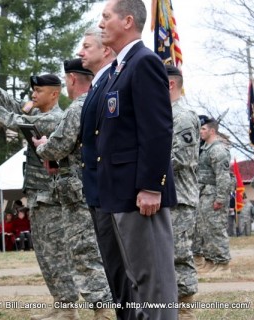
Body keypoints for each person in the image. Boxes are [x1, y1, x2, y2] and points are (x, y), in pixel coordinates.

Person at [0, 75, 83, 319]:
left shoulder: (54, 119)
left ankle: (67, 307)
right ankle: (61, 304)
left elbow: (15, 119)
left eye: (38, 91)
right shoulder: (39, 114)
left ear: (54, 94)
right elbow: (13, 105)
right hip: (39, 196)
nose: (33, 95)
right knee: (44, 254)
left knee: (55, 254)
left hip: (50, 197)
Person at [93, 1, 179, 319]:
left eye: (106, 17)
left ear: (127, 21)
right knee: (137, 281)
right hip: (122, 193)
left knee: (154, 284)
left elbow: (157, 128)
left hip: (141, 195)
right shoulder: (120, 68)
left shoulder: (144, 62)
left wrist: (151, 186)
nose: (100, 24)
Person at [33, 58, 113, 319]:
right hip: (98, 185)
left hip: (77, 192)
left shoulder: (78, 107)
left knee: (84, 252)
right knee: (97, 249)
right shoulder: (103, 101)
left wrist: (42, 146)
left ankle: (103, 311)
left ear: (71, 79)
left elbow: (57, 146)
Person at [165, 65, 200, 319]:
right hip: (166, 195)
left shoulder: (183, 116)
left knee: (179, 254)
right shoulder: (165, 114)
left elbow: (181, 158)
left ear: (170, 85)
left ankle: (185, 307)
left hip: (181, 197)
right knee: (165, 255)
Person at [195, 117, 232, 277]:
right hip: (204, 194)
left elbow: (223, 177)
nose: (200, 131)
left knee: (216, 228)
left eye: (203, 129)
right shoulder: (206, 148)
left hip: (213, 193)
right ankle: (211, 262)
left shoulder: (218, 150)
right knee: (206, 229)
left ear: (212, 130)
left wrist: (220, 199)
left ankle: (223, 265)